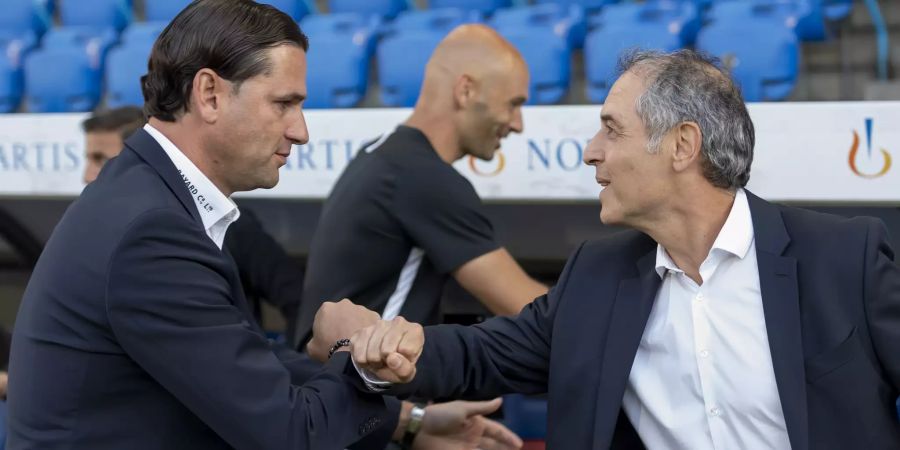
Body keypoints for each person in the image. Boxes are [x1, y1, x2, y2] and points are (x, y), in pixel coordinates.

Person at [314, 49, 900, 449]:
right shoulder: (596, 274)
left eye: (611, 129)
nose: (591, 151)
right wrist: (395, 349)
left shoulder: (844, 256)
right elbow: (479, 354)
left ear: (682, 145)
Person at [6, 2, 520, 449]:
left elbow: (239, 367)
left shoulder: (145, 197)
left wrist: (410, 423)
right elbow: (291, 434)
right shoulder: (152, 229)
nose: (300, 131)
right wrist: (353, 355)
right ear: (209, 93)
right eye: (284, 104)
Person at [294, 24, 547, 348]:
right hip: (361, 390)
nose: (517, 124)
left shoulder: (383, 154)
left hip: (337, 385)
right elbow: (528, 312)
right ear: (465, 90)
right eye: (513, 104)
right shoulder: (423, 178)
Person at [81, 106, 306, 337]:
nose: (87, 175)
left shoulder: (232, 225)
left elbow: (298, 298)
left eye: (99, 159)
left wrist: (283, 365)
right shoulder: (93, 230)